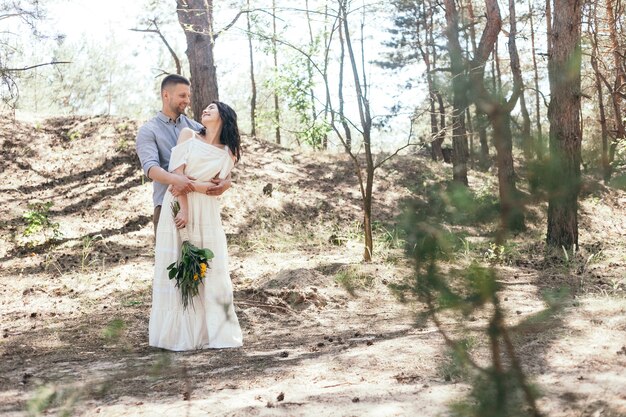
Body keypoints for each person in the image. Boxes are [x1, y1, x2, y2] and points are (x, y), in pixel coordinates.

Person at [148, 100, 243, 351]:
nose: (206, 110)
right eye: (206, 108)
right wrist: (186, 208)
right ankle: (178, 335)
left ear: (224, 117)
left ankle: (213, 332)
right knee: (180, 264)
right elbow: (176, 178)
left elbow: (219, 186)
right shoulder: (188, 134)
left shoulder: (228, 153)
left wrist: (221, 185)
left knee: (211, 267)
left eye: (212, 108)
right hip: (180, 205)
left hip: (208, 212)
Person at [135, 74, 231, 233]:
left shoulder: (196, 128)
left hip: (199, 205)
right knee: (170, 258)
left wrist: (227, 181)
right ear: (166, 95)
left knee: (203, 258)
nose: (187, 100)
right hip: (167, 204)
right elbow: (151, 168)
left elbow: (218, 154)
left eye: (188, 96)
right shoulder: (148, 130)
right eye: (182, 95)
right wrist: (177, 180)